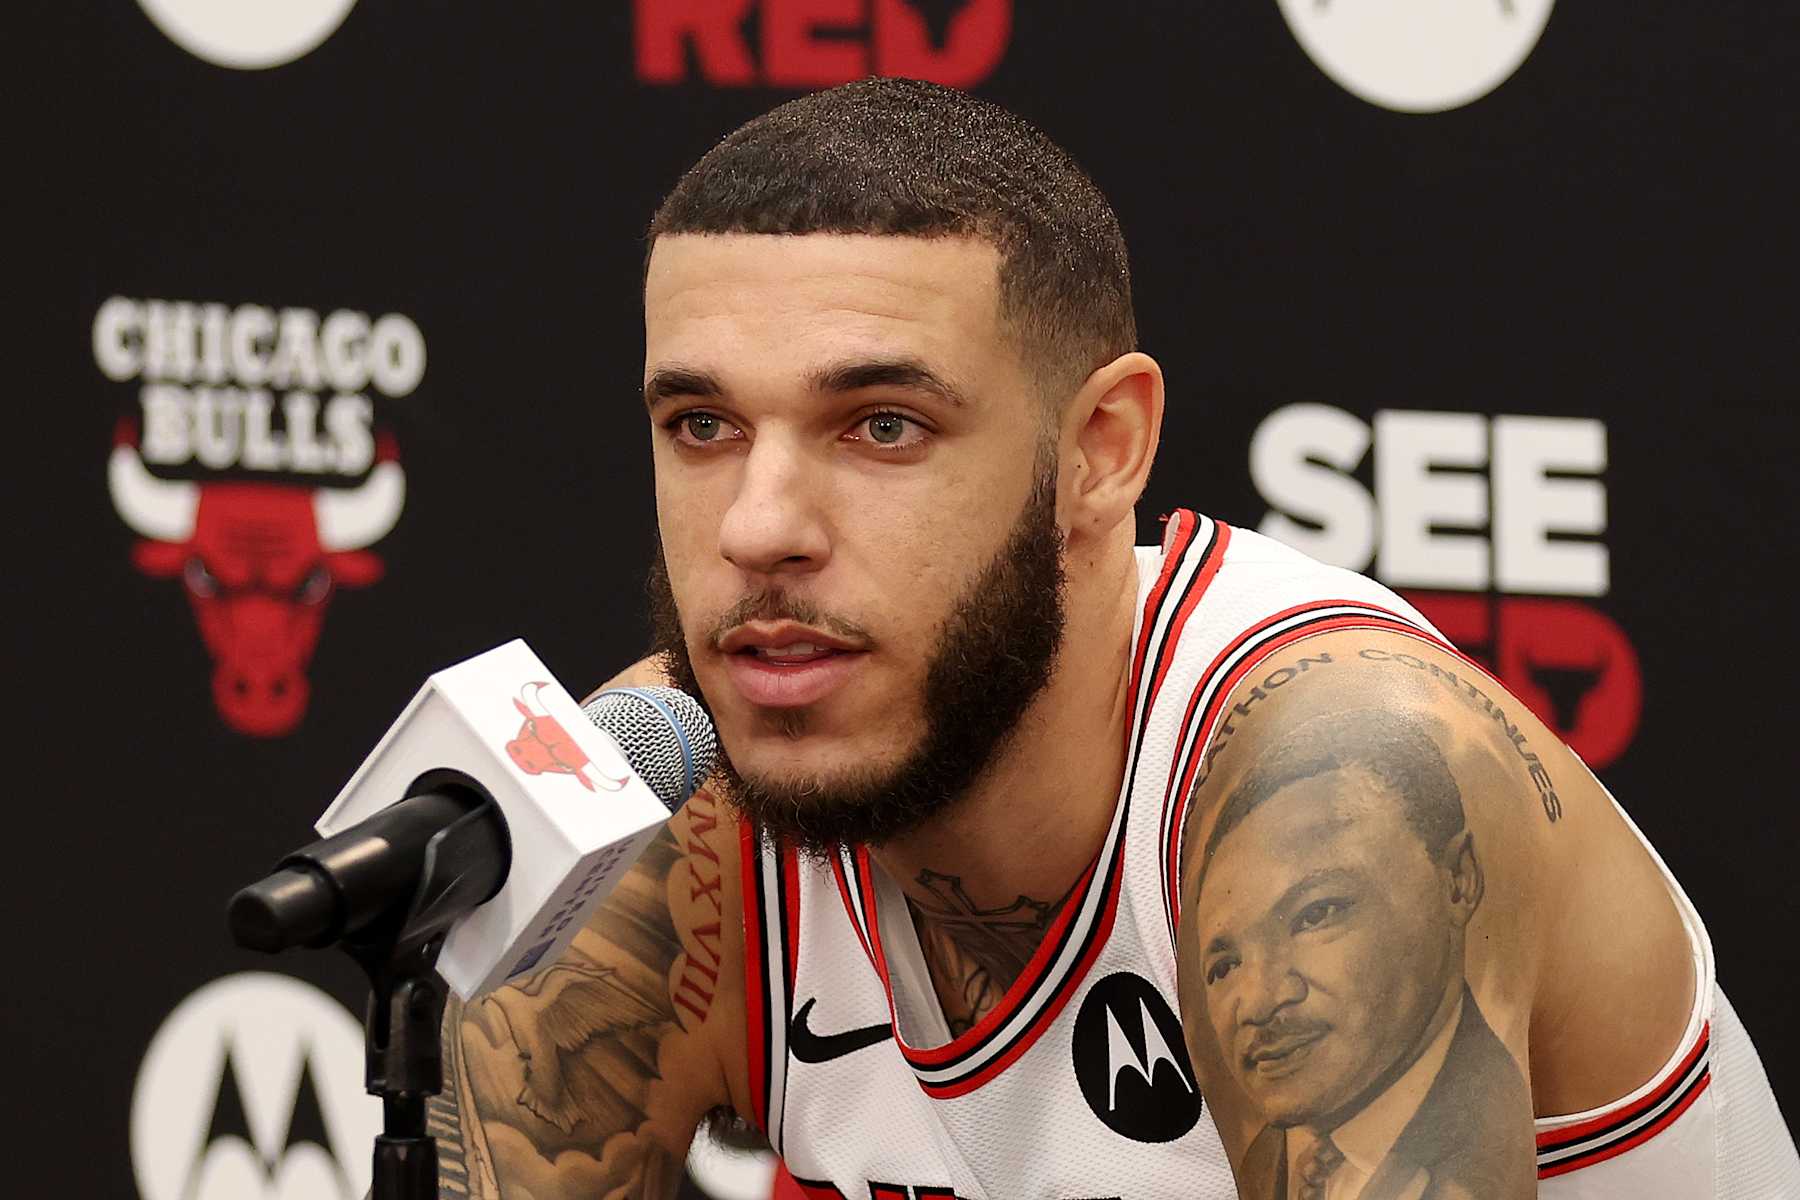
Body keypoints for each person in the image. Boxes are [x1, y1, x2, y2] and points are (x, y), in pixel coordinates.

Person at [428, 78, 1800, 1199]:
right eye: (703, 428)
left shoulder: (1329, 784)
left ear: (1101, 450)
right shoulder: (647, 803)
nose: (759, 526)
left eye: (882, 426)